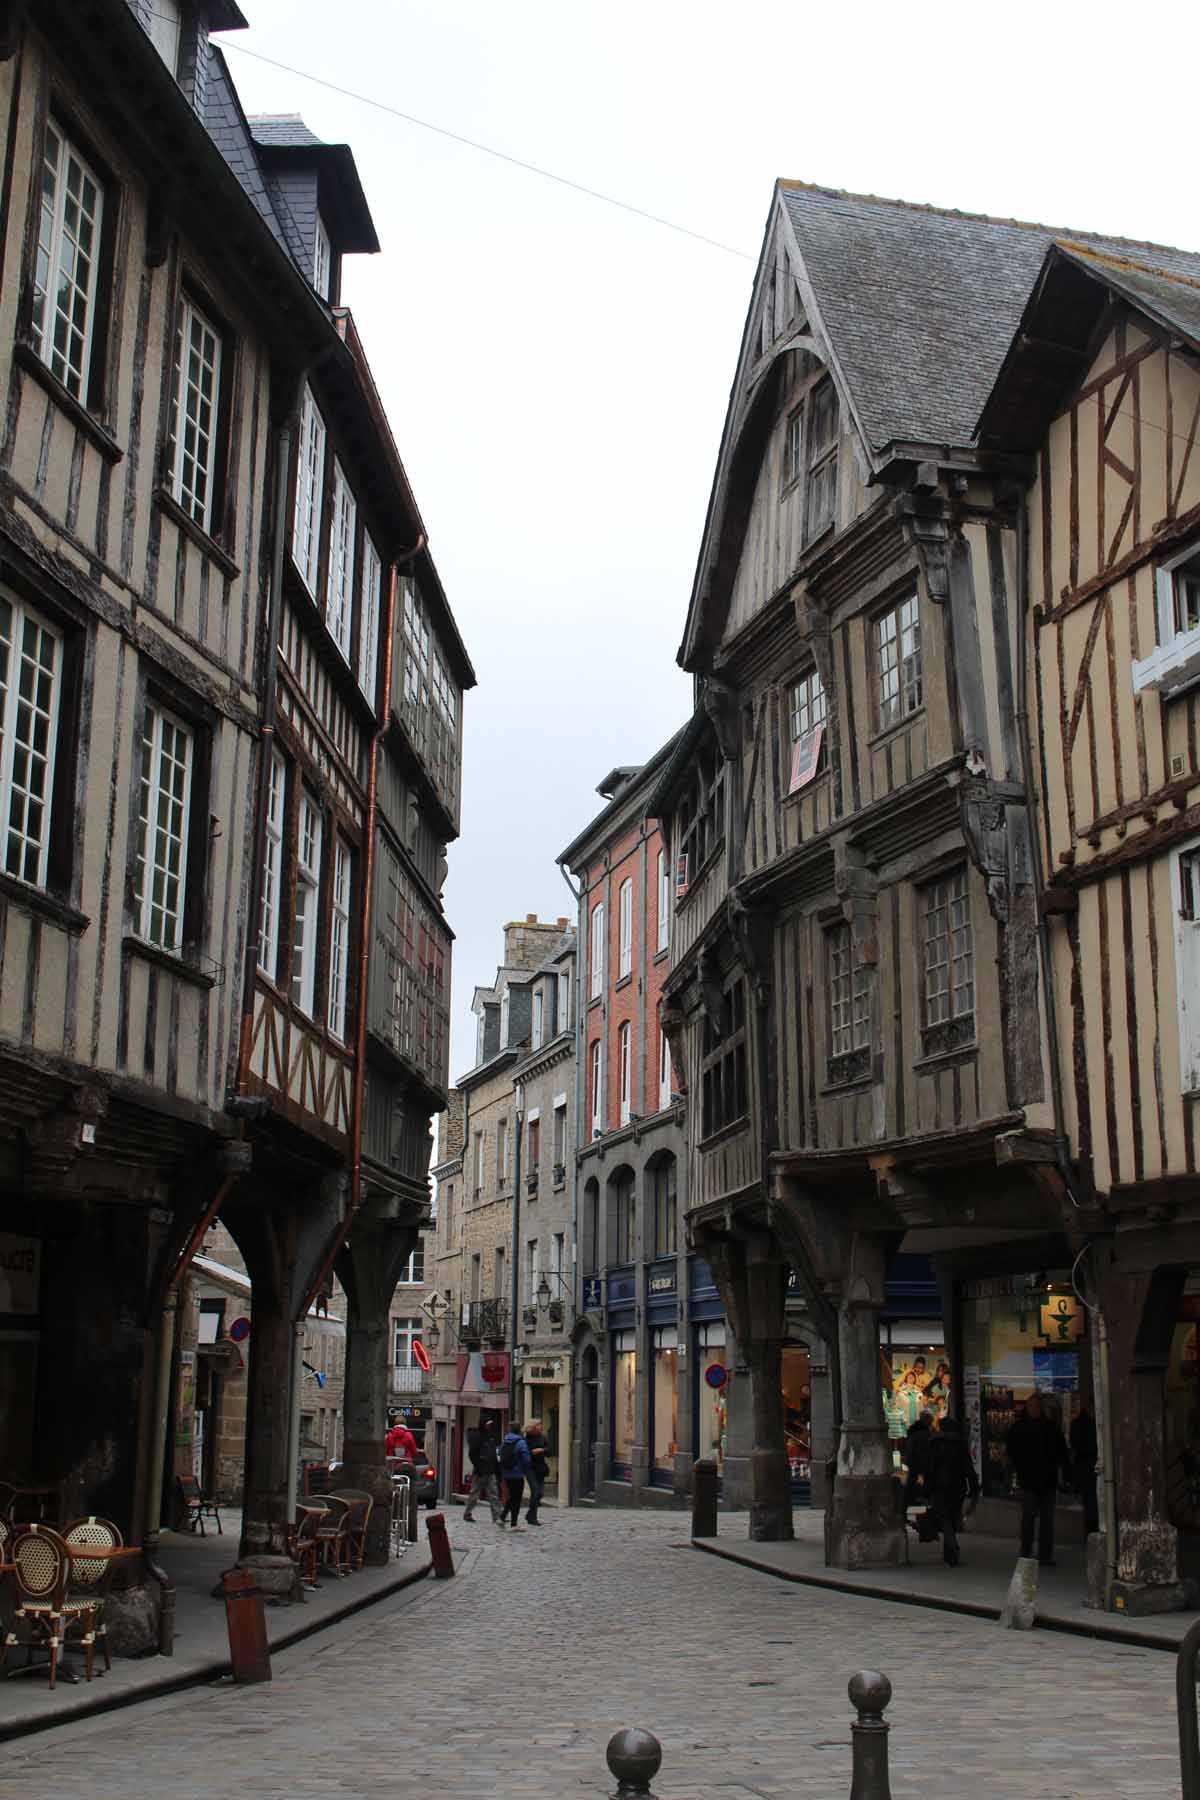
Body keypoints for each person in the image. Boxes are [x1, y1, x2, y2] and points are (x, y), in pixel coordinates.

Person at [1006, 1393, 1072, 1565]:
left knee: (1046, 1521)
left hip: (1047, 1481)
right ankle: (1026, 1552)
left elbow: (1061, 1452)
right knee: (1028, 1519)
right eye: (1031, 1406)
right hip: (1028, 1481)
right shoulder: (1019, 1427)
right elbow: (1011, 1452)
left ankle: (1044, 1555)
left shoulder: (1050, 1428)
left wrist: (1067, 1474)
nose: (1034, 1410)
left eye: (1036, 1406)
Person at [925, 1414, 979, 1566]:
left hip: (939, 1486)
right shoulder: (959, 1444)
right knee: (952, 1516)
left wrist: (926, 1489)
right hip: (957, 1487)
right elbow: (968, 1467)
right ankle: (948, 1553)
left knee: (945, 1519)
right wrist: (973, 1488)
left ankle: (952, 1548)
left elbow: (930, 1467)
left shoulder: (934, 1443)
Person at [462, 1415, 501, 1523]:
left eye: (490, 1424)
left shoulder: (491, 1437)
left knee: (494, 1494)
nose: (489, 1426)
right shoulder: (477, 1436)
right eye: (487, 1424)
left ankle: (497, 1516)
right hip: (480, 1471)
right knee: (475, 1494)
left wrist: (497, 1467)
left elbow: (494, 1453)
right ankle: (467, 1513)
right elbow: (472, 1454)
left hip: (490, 1470)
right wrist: (478, 1466)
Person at [1070, 1404, 1100, 1535]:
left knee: (1090, 1502)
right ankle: (1092, 1528)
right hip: (1088, 1467)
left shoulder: (1078, 1424)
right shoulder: (1084, 1424)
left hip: (1085, 1467)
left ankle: (1091, 1529)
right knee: (1091, 1501)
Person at [498, 1423, 532, 1529]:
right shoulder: (521, 1442)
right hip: (517, 1474)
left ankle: (502, 1517)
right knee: (516, 1498)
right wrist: (525, 1469)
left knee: (512, 1496)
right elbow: (526, 1459)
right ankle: (513, 1523)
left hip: (506, 1473)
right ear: (519, 1430)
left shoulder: (505, 1440)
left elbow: (500, 1453)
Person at [902, 1412, 934, 1511]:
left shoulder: (915, 1430)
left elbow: (910, 1447)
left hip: (915, 1460)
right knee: (926, 1479)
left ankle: (907, 1501)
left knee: (912, 1479)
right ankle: (922, 1498)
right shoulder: (925, 1433)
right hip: (922, 1460)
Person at [524, 1419, 550, 1526]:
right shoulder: (526, 1438)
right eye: (539, 1425)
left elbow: (550, 1450)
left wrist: (542, 1450)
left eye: (541, 1425)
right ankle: (533, 1517)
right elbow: (523, 1452)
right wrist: (531, 1452)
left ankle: (529, 1515)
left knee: (539, 1493)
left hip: (540, 1468)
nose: (540, 1427)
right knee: (535, 1491)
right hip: (530, 1468)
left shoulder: (543, 1437)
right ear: (533, 1427)